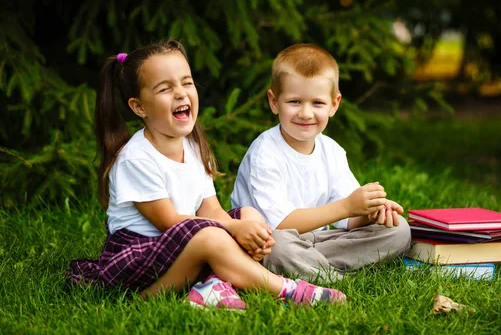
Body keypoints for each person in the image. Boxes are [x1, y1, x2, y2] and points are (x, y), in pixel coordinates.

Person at [67, 40, 346, 310]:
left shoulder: (192, 146)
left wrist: (242, 229)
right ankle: (288, 289)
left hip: (184, 246)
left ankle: (212, 286)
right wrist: (231, 230)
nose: (180, 93)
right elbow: (169, 222)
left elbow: (210, 207)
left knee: (249, 215)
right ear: (139, 106)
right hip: (141, 260)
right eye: (165, 88)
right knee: (213, 236)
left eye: (186, 82)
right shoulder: (136, 158)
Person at [230, 43, 412, 282]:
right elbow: (281, 225)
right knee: (278, 247)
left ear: (334, 105)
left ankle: (313, 271)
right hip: (270, 243)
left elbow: (348, 219)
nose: (306, 113)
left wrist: (370, 212)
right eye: (294, 102)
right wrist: (348, 206)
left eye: (317, 103)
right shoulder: (266, 152)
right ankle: (334, 278)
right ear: (274, 102)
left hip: (320, 243)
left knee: (399, 229)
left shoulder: (332, 151)